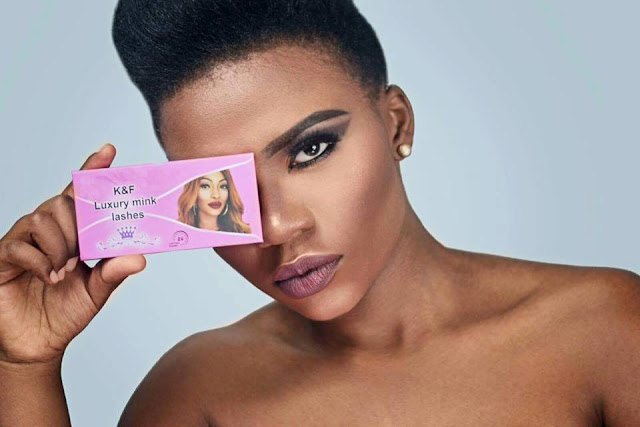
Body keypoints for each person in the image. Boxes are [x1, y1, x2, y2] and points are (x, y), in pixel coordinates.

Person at [1, 1, 639, 425]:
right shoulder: (195, 393)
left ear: (396, 124)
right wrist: (24, 368)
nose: (278, 227)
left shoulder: (602, 330)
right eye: (219, 187)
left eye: (310, 150)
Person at [177, 170, 252, 233]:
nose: (216, 195)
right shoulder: (181, 232)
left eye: (223, 186)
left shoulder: (240, 233)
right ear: (192, 193)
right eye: (205, 186)